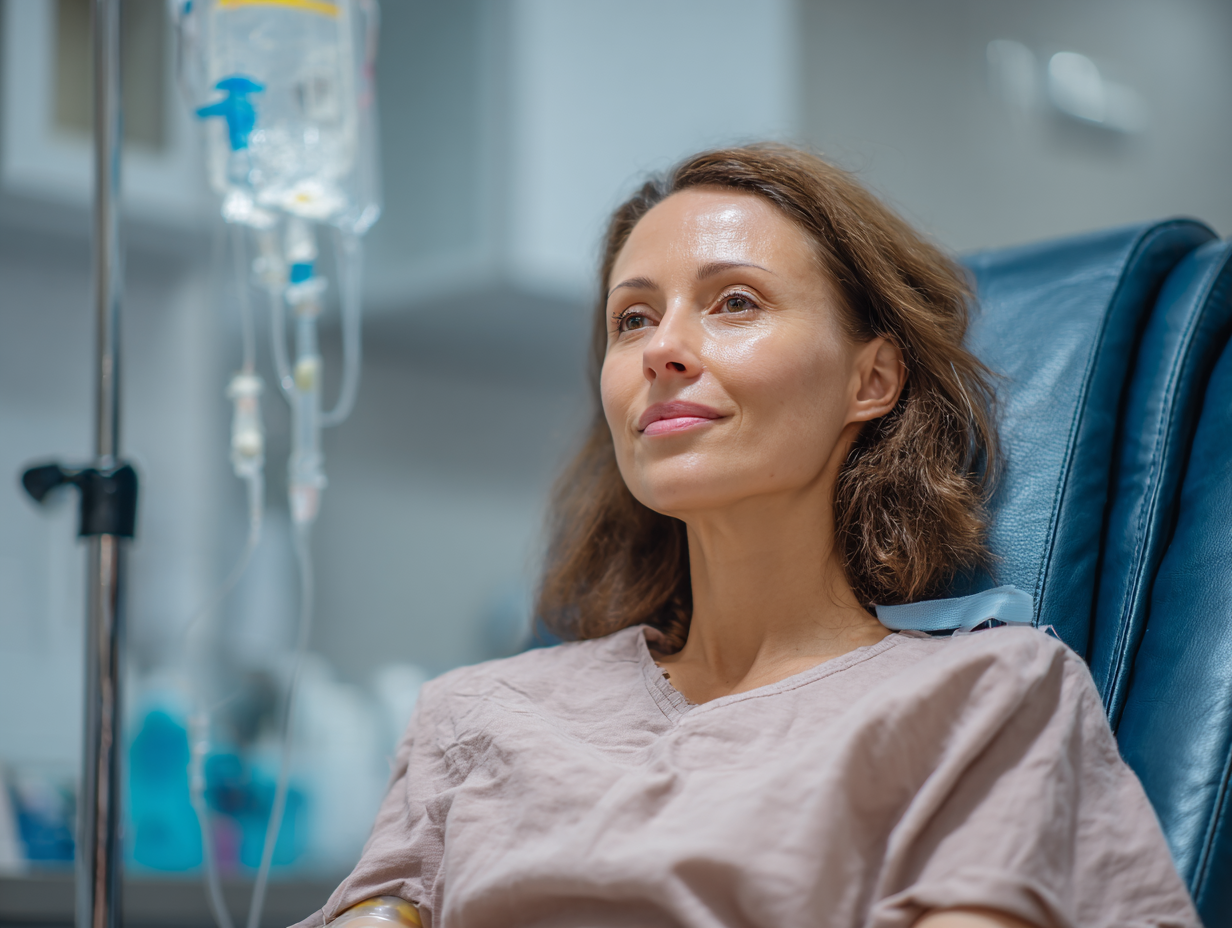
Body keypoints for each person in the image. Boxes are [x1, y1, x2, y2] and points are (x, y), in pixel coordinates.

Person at [291, 146, 1198, 928]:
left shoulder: (988, 700)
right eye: (633, 318)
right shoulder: (476, 711)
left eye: (734, 302)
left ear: (870, 379)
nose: (662, 349)